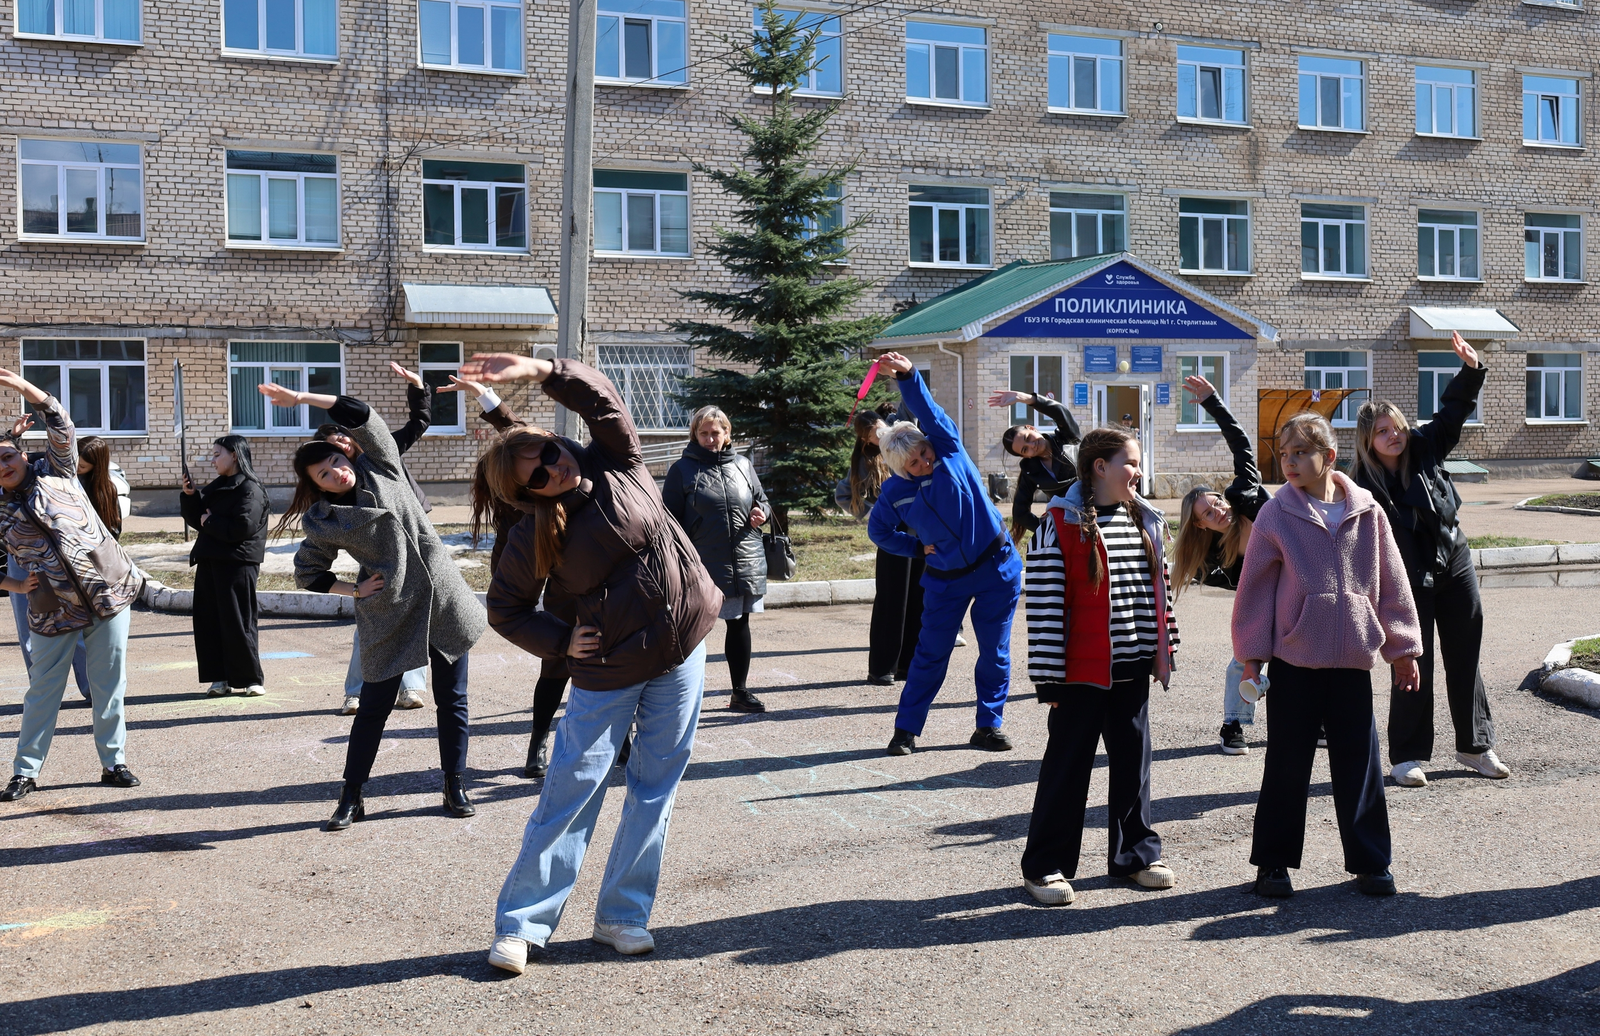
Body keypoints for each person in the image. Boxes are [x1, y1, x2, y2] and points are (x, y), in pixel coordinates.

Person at [461, 352, 720, 973]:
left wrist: (538, 368)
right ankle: (522, 924)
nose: (554, 467)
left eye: (551, 453)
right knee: (573, 788)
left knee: (655, 788)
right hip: (609, 669)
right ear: (523, 494)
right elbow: (506, 608)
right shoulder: (532, 534)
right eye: (537, 474)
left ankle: (623, 916)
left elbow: (602, 400)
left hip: (683, 650)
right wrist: (560, 642)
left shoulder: (617, 463)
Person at [262, 382, 487, 832]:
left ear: (347, 456)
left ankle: (454, 783)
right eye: (323, 474)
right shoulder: (324, 519)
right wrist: (355, 591)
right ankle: (351, 796)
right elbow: (308, 571)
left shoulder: (381, 466)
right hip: (389, 610)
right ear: (315, 486)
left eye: (335, 462)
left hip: (442, 598)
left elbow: (361, 413)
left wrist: (304, 400)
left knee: (452, 701)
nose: (335, 472)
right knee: (372, 709)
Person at [1232, 411, 1423, 899]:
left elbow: (1393, 583)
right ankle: (1273, 864)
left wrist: (1402, 650)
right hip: (1295, 661)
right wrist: (1252, 656)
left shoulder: (1367, 510)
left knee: (1359, 764)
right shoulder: (1277, 513)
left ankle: (1371, 861)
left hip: (1352, 662)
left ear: (1329, 457)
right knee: (1287, 763)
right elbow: (1253, 590)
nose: (1289, 462)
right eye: (1284, 453)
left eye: (1301, 453)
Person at [1019, 426, 1180, 904]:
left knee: (1134, 764)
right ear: (1099, 467)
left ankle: (1135, 855)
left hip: (1132, 666)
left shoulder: (1145, 518)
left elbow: (1159, 594)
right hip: (1078, 674)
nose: (1137, 471)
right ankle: (1045, 866)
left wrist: (1163, 649)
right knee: (1067, 769)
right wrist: (1048, 677)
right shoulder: (1059, 523)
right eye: (1129, 462)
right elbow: (1046, 604)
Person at [1353, 332, 1507, 787]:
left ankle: (1474, 746)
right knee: (1411, 661)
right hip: (1405, 578)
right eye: (1382, 431)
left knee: (1466, 654)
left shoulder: (1426, 446)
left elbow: (1453, 412)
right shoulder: (1361, 484)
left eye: (1396, 425)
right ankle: (1407, 755)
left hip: (1452, 560)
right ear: (1368, 440)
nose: (1393, 435)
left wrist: (1471, 368)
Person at [868, 351, 1023, 757]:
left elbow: (928, 409)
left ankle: (988, 726)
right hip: (944, 580)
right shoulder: (894, 493)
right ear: (900, 468)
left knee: (994, 652)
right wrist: (916, 547)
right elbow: (878, 531)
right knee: (929, 655)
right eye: (914, 463)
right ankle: (906, 730)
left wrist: (907, 375)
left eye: (923, 454)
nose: (923, 462)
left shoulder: (949, 450)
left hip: (996, 567)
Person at [0, 368, 144, 803]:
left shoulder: (59, 469)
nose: (2, 467)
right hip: (50, 607)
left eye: (7, 456)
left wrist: (25, 389)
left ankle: (113, 762)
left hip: (109, 593)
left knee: (109, 684)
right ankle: (26, 771)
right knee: (43, 689)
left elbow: (62, 423)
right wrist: (13, 584)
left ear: (24, 455)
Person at [453, 373, 593, 780]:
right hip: (558, 584)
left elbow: (515, 433)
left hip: (590, 581)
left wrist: (483, 394)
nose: (541, 474)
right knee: (557, 663)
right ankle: (537, 743)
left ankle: (621, 743)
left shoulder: (547, 465)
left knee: (606, 665)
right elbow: (508, 585)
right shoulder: (518, 514)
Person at [317, 362, 434, 715]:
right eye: (330, 446)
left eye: (340, 435)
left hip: (413, 541)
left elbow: (420, 423)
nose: (338, 444)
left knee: (416, 615)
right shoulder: (338, 484)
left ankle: (410, 688)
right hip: (378, 554)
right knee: (371, 618)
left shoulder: (383, 453)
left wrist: (418, 389)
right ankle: (356, 692)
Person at [1166, 374, 1270, 756]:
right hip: (1260, 599)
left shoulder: (1245, 497)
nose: (1219, 511)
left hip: (1296, 585)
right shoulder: (1208, 557)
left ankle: (1317, 722)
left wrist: (1213, 402)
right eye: (1209, 513)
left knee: (1307, 659)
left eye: (1216, 503)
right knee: (1243, 661)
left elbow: (1241, 445)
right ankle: (1233, 726)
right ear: (1200, 524)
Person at [3, 422, 127, 700]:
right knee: (32, 628)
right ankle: (44, 690)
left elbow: (110, 533)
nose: (76, 468)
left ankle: (90, 688)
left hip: (71, 566)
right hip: (27, 562)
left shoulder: (92, 488)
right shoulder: (38, 469)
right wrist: (12, 437)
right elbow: (13, 456)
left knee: (80, 625)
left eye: (82, 466)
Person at [663, 405, 772, 713]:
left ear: (727, 434)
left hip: (744, 558)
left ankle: (740, 691)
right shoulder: (681, 471)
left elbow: (762, 499)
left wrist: (761, 513)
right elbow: (668, 521)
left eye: (716, 432)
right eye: (704, 433)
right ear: (694, 435)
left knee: (739, 624)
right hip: (701, 565)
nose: (710, 439)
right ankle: (679, 699)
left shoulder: (743, 465)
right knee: (691, 631)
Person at [838, 404, 926, 686]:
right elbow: (843, 495)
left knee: (918, 599)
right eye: (872, 433)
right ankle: (881, 668)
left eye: (879, 427)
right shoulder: (866, 460)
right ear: (865, 439)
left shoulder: (901, 437)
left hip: (921, 531)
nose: (879, 434)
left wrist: (902, 376)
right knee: (891, 602)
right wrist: (873, 512)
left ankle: (907, 665)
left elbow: (910, 408)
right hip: (892, 535)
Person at [180, 436, 270, 697]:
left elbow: (243, 527)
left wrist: (211, 522)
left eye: (217, 454)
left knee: (238, 621)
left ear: (234, 454)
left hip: (237, 562)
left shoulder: (250, 489)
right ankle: (219, 678)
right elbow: (200, 520)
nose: (213, 460)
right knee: (209, 622)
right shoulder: (218, 486)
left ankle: (251, 679)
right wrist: (190, 496)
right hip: (210, 560)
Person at [986, 388, 1081, 545]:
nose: (1032, 445)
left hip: (1097, 512)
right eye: (1025, 449)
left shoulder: (1068, 438)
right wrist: (1049, 529)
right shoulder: (1031, 472)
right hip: (1068, 528)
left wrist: (1024, 398)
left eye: (1028, 437)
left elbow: (1060, 412)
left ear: (1032, 428)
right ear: (1025, 456)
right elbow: (1020, 513)